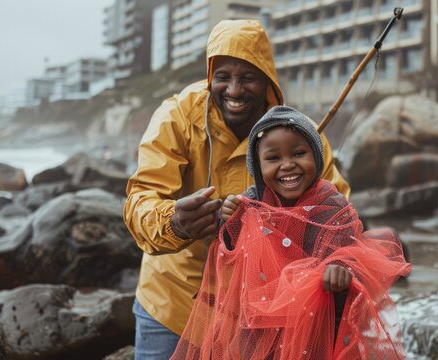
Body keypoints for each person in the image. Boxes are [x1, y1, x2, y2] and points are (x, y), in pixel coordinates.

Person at [123, 20, 349, 359]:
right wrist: (175, 221)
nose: (234, 90)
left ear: (267, 79)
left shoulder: (299, 135)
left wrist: (338, 259)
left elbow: (337, 211)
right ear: (210, 75)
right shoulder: (176, 117)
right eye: (223, 76)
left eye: (248, 77)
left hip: (256, 316)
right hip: (173, 301)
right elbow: (139, 200)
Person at [171, 106, 411, 359]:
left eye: (298, 153)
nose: (287, 165)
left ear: (316, 158)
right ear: (257, 167)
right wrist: (229, 220)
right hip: (257, 326)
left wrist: (340, 268)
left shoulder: (331, 204)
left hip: (316, 324)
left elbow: (347, 247)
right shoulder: (251, 202)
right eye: (273, 158)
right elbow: (230, 250)